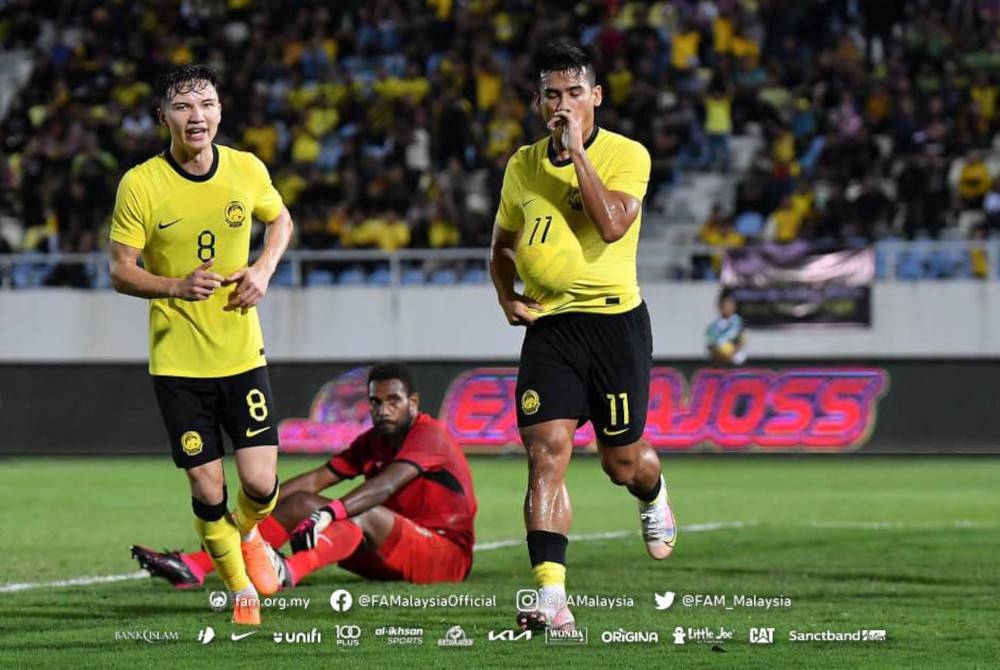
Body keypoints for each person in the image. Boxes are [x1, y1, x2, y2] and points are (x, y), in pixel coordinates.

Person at [488, 40, 676, 633]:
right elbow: (500, 246)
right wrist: (506, 296)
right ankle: (551, 595)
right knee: (546, 455)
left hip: (615, 325)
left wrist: (577, 157)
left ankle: (652, 493)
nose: (563, 104)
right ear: (538, 101)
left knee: (621, 462)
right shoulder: (521, 164)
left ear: (595, 97)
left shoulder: (627, 155)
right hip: (550, 328)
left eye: (575, 93)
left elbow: (613, 224)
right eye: (552, 94)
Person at [110, 64, 294, 625]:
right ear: (162, 117)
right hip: (178, 361)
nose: (198, 116)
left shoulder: (245, 168)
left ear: (220, 111)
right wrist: (174, 285)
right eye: (185, 107)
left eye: (207, 104)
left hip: (241, 354)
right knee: (206, 482)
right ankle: (240, 590)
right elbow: (121, 270)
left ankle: (250, 535)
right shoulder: (140, 184)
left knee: (260, 483)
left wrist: (264, 268)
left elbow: (280, 219)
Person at [131, 362, 477, 589]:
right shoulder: (373, 440)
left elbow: (383, 487)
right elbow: (314, 481)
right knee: (299, 502)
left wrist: (326, 514)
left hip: (443, 558)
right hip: (387, 552)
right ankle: (193, 565)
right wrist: (254, 511)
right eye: (375, 402)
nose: (383, 409)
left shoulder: (430, 435)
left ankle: (285, 572)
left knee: (354, 512)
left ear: (413, 402)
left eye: (393, 401)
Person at [706, 290, 747, 365]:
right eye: (725, 306)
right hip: (720, 361)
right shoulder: (713, 327)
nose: (728, 308)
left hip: (736, 359)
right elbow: (710, 346)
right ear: (720, 308)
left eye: (730, 305)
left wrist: (733, 352)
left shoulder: (739, 322)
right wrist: (721, 356)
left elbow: (742, 339)